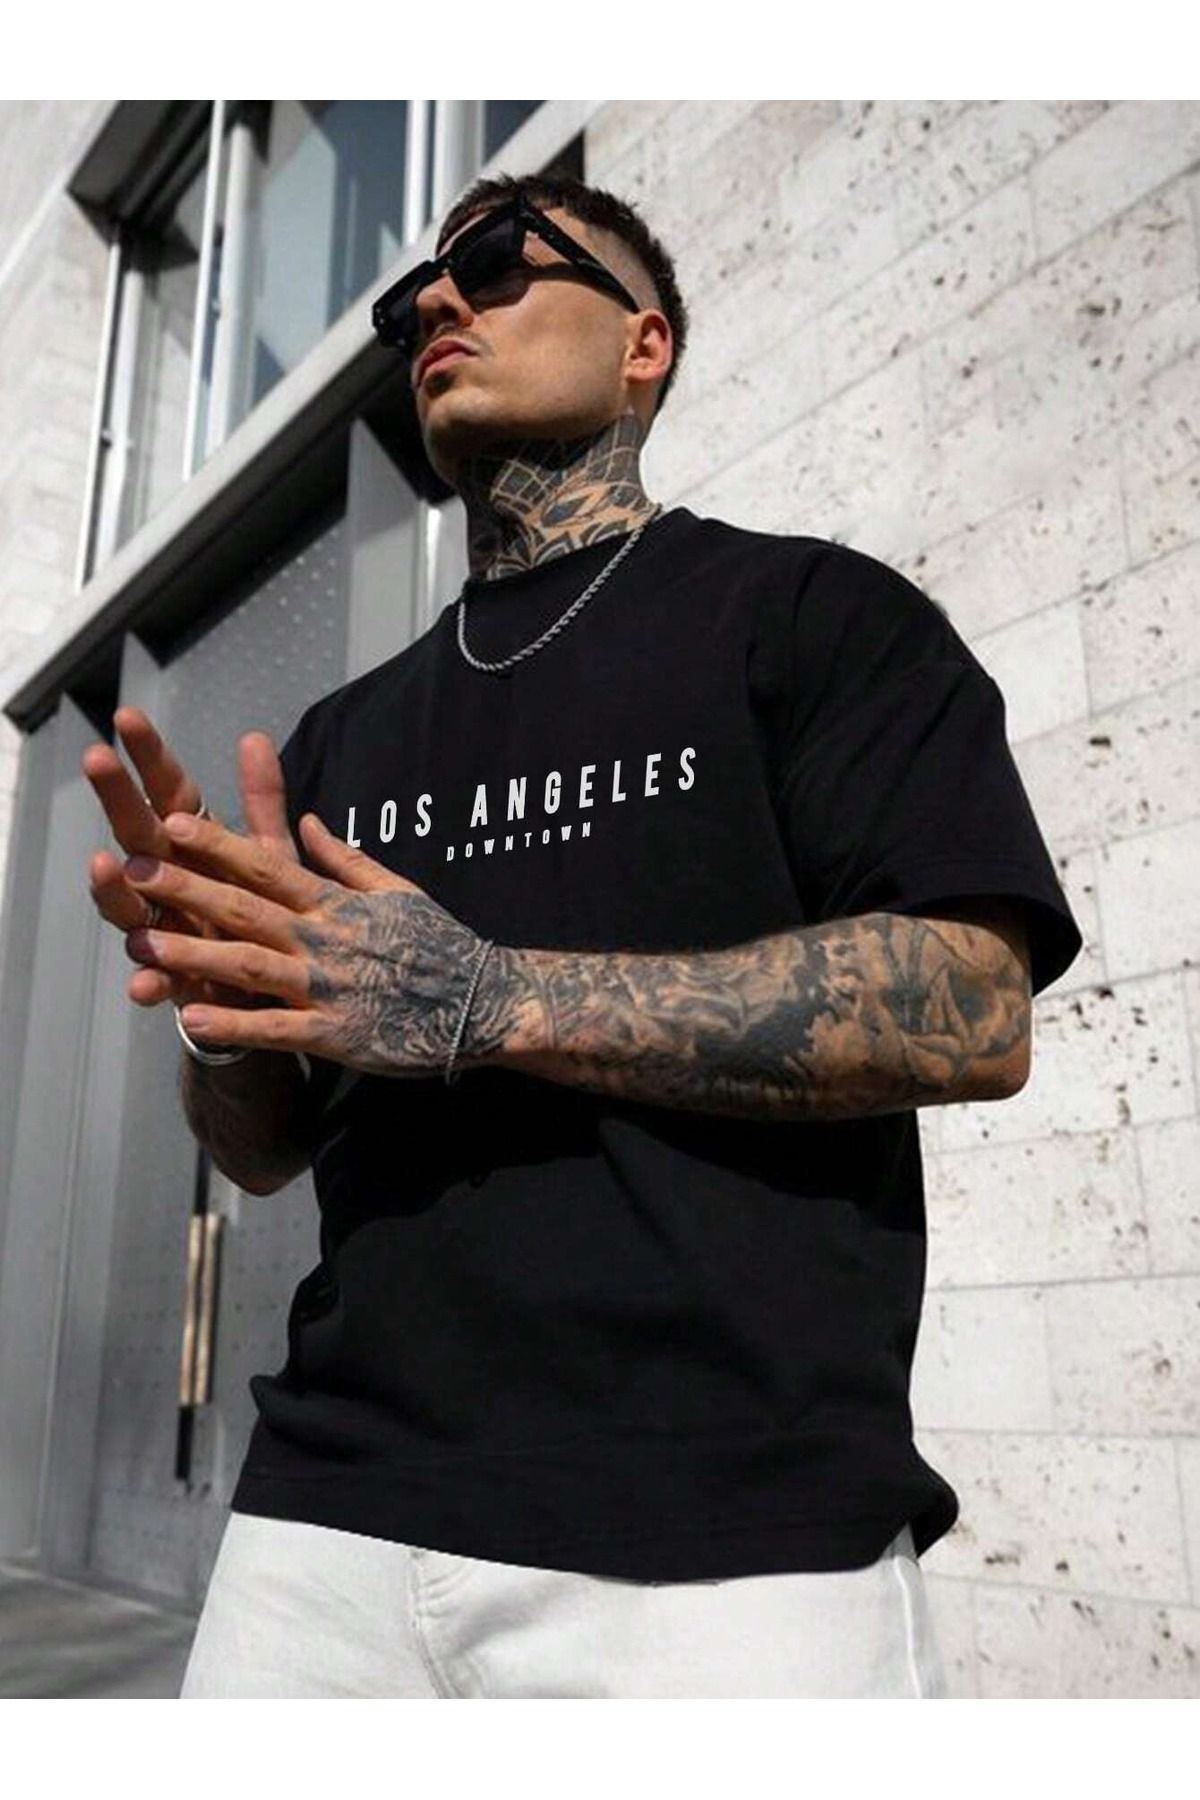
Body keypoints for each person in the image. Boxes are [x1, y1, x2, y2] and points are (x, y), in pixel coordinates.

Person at [84, 173, 1083, 1698]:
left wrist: (490, 997)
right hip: (320, 1538)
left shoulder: (810, 615)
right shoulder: (343, 736)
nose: (437, 300)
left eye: (495, 260)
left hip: (722, 1542)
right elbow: (265, 1150)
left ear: (644, 343)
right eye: (409, 297)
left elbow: (975, 1004)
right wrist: (217, 1013)